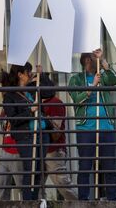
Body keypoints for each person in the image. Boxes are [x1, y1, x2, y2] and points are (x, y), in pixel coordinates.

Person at [68, 48, 116, 201]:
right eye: (94, 57)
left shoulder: (103, 75)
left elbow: (114, 80)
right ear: (87, 60)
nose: (97, 58)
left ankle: (113, 200)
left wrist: (104, 63)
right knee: (85, 166)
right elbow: (76, 99)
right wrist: (92, 86)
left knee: (110, 166)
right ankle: (83, 200)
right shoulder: (76, 79)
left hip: (106, 127)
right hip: (86, 128)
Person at [1, 63, 50, 200]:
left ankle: (34, 200)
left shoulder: (33, 89)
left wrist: (43, 75)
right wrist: (30, 111)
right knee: (30, 170)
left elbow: (50, 92)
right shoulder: (10, 96)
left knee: (39, 171)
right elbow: (13, 119)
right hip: (26, 136)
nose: (31, 74)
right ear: (20, 75)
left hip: (41, 133)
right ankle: (29, 201)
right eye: (29, 72)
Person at [37, 67, 78, 200]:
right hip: (42, 149)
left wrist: (44, 118)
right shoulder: (40, 104)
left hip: (53, 150)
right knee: (36, 187)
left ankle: (79, 204)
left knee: (63, 185)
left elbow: (56, 133)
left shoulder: (55, 103)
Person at [0, 109, 23, 200]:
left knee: (21, 185)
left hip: (17, 152)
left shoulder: (20, 107)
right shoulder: (7, 110)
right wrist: (1, 118)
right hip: (5, 150)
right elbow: (3, 131)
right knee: (2, 184)